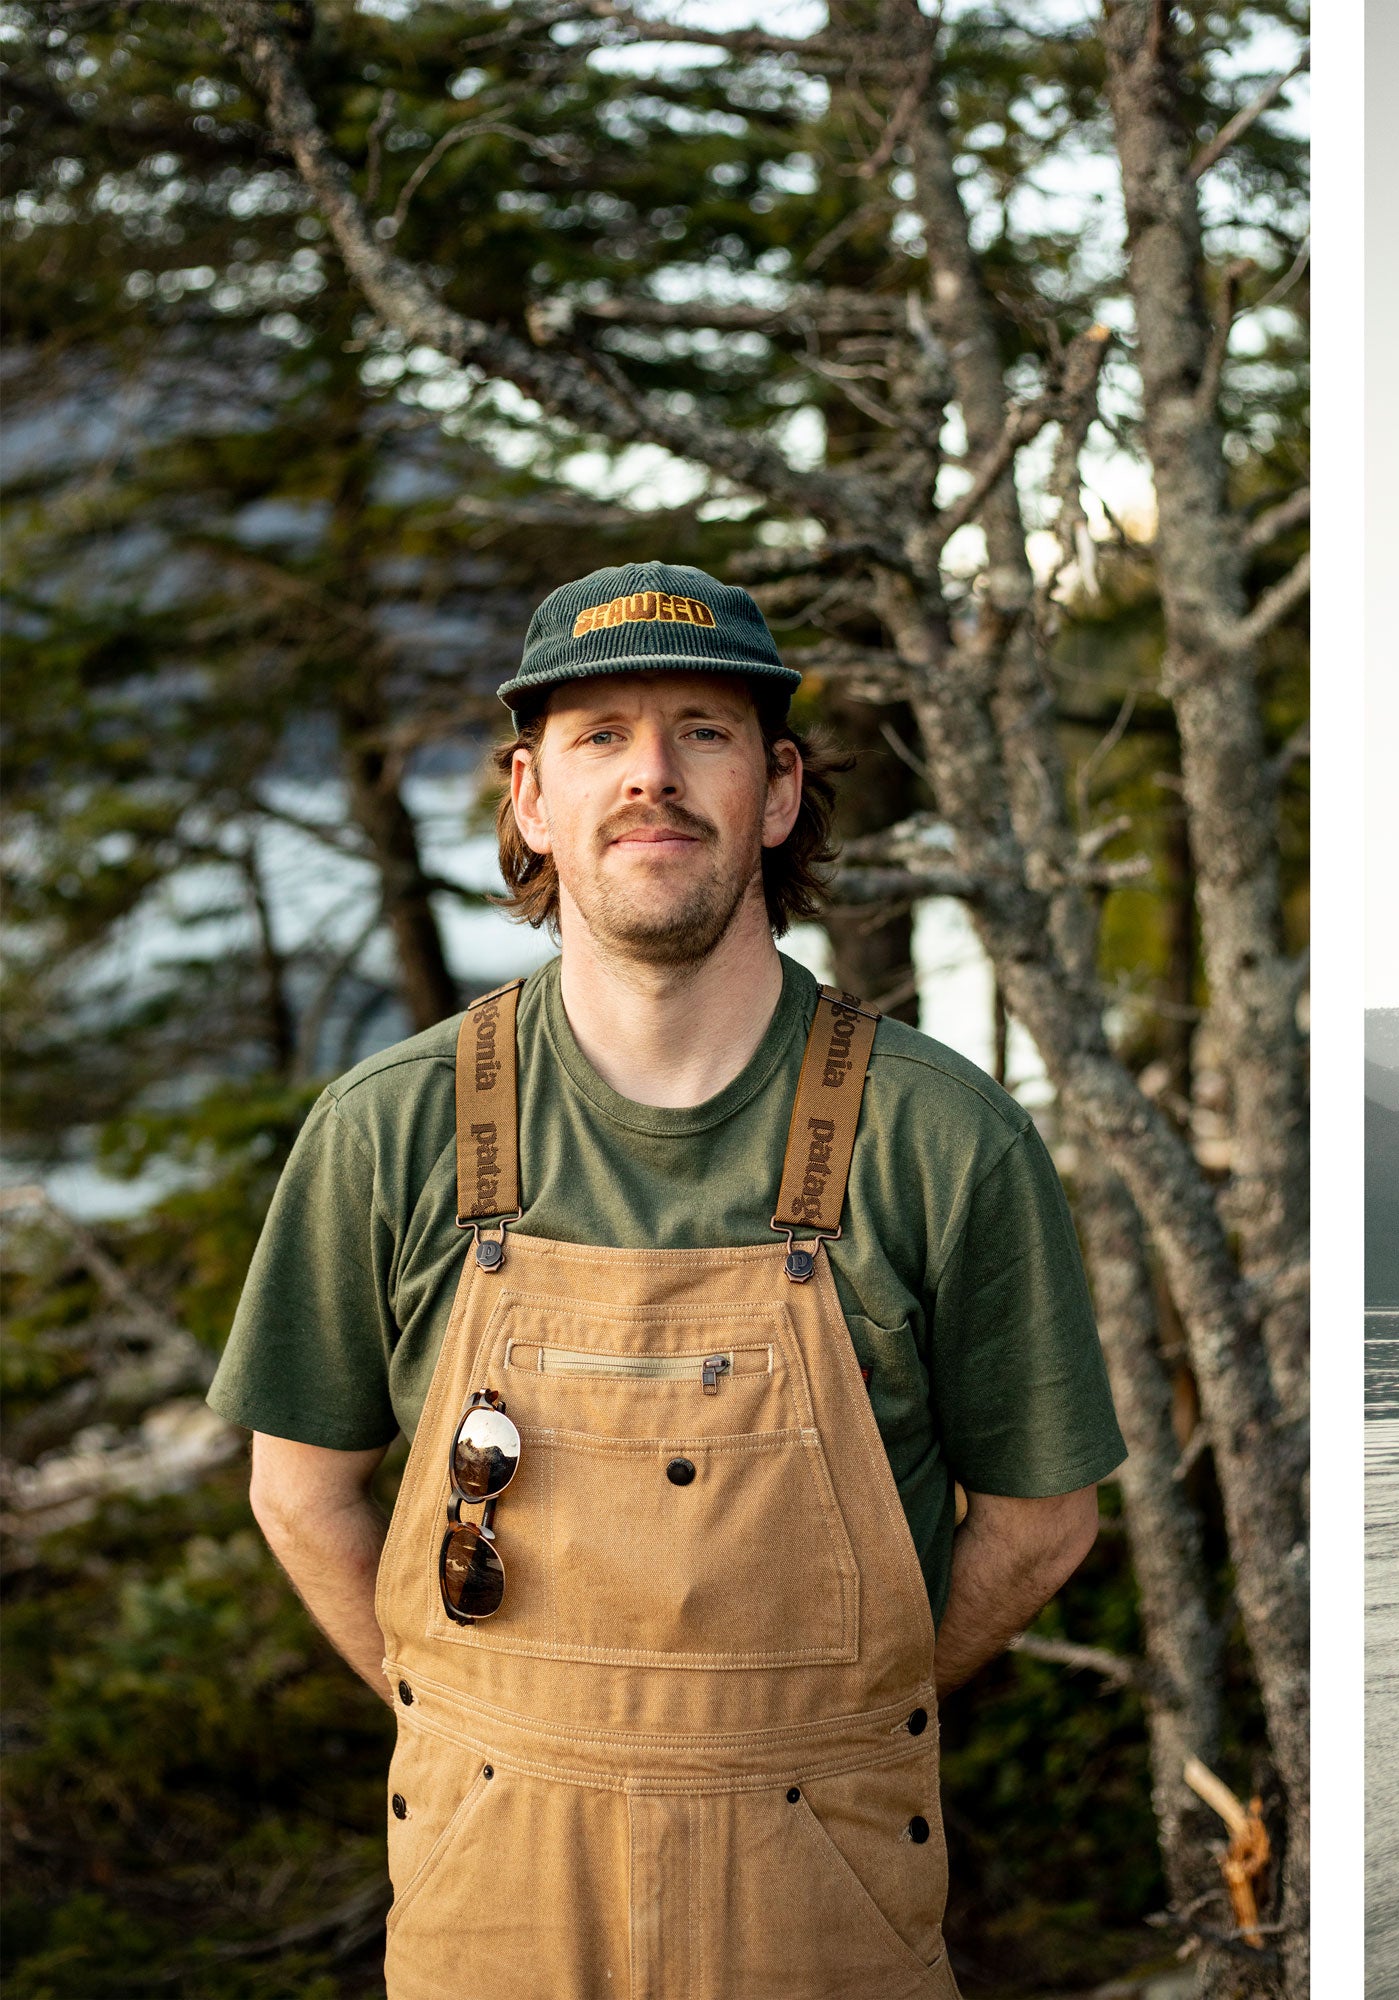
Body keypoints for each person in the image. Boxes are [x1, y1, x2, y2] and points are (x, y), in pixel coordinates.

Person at [209, 562, 1127, 1999]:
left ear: (775, 792)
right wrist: (472, 1724)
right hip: (485, 1900)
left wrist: (827, 1723)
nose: (653, 774)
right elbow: (298, 1490)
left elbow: (1045, 1519)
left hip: (826, 1911)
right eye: (600, 737)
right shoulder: (386, 1133)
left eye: (703, 730)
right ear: (528, 798)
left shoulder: (945, 1141)